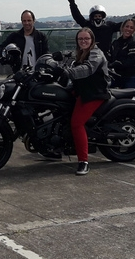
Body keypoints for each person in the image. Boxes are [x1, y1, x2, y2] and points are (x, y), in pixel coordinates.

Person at [47, 27, 110, 176]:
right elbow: (68, 61)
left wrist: (67, 72)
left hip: (95, 93)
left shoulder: (96, 53)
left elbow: (88, 69)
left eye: (86, 39)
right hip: (82, 90)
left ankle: (83, 161)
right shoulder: (79, 53)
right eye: (80, 39)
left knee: (76, 123)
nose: (83, 41)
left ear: (92, 40)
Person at [65, 0, 135, 58]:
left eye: (99, 16)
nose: (97, 18)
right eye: (95, 16)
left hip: (105, 57)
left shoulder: (109, 26)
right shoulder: (87, 25)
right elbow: (77, 16)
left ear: (103, 17)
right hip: (88, 55)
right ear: (92, 17)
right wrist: (71, 1)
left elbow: (127, 24)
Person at [109, 18, 135, 92]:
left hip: (132, 77)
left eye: (131, 28)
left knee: (130, 101)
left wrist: (118, 63)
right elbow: (110, 56)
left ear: (134, 30)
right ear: (122, 27)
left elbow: (132, 59)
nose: (128, 29)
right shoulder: (116, 42)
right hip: (118, 76)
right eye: (127, 26)